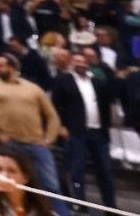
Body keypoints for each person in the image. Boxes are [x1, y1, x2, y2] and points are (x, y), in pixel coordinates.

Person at [0, 53, 68, 216]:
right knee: (10, 184)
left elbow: (52, 115)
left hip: (37, 142)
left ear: (13, 67)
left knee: (51, 186)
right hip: (11, 143)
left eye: (1, 65)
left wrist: (49, 138)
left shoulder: (33, 88)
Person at [49, 48, 117, 208]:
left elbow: (107, 103)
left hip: (98, 131)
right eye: (77, 61)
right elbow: (55, 106)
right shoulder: (63, 80)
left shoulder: (97, 81)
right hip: (75, 131)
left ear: (88, 63)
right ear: (72, 63)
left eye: (84, 61)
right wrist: (61, 126)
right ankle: (79, 204)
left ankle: (110, 206)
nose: (81, 64)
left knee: (106, 170)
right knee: (76, 170)